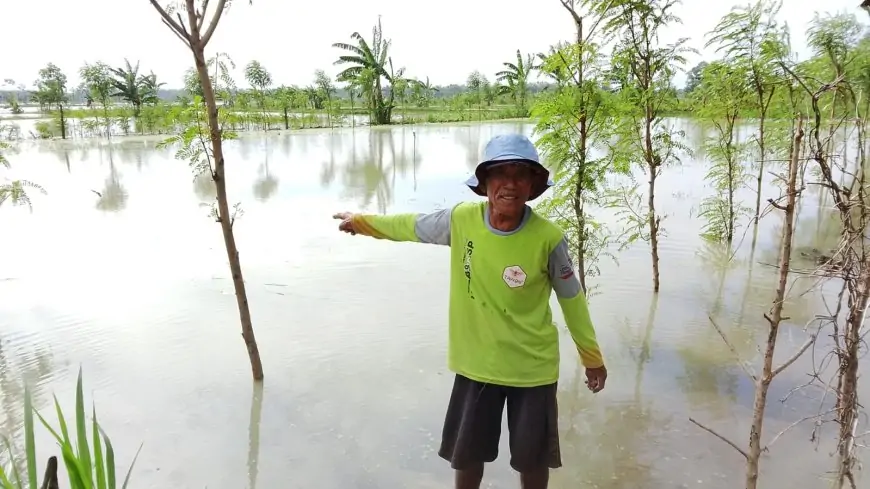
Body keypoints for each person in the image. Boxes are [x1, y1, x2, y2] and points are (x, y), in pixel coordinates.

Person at [333, 133, 606, 489]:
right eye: (500, 174)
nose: (509, 184)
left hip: (532, 370)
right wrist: (363, 222)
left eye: (520, 175)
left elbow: (572, 300)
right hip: (477, 365)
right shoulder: (461, 220)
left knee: (533, 459)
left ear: (533, 184)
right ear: (485, 182)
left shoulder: (548, 238)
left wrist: (592, 356)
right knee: (468, 457)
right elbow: (411, 226)